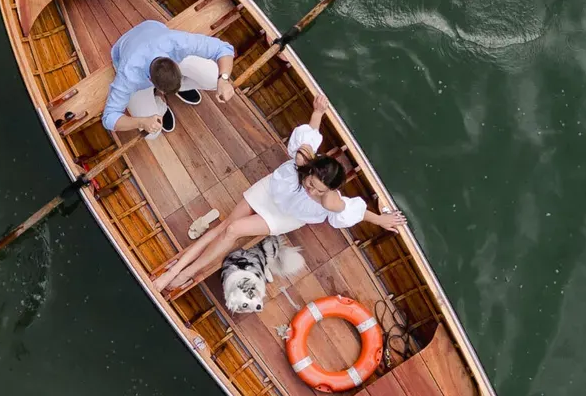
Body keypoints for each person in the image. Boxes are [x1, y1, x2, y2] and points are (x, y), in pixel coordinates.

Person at [155, 93, 406, 293]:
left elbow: (356, 212)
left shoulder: (330, 201)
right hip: (269, 190)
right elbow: (311, 134)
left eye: (317, 189)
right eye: (310, 182)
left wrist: (381, 220)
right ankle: (173, 271)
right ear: (310, 169)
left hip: (284, 216)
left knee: (232, 231)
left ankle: (186, 272)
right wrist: (317, 112)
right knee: (224, 227)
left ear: (329, 190)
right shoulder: (302, 160)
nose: (310, 189)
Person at [101, 20, 235, 139]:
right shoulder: (128, 76)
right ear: (154, 85)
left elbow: (223, 48)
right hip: (125, 52)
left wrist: (223, 79)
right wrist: (142, 122)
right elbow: (109, 118)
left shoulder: (176, 42)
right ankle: (160, 102)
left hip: (153, 31)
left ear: (175, 64)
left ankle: (177, 88)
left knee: (214, 79)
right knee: (152, 134)